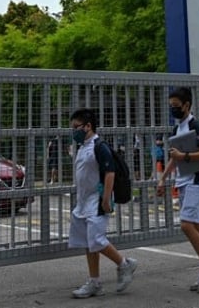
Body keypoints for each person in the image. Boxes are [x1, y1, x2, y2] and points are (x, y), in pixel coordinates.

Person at [67, 108, 138, 298]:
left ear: (88, 126)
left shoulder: (100, 147)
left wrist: (106, 199)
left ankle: (125, 264)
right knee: (89, 244)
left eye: (76, 127)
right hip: (84, 201)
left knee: (96, 240)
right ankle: (95, 282)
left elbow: (110, 173)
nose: (74, 131)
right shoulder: (82, 147)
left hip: (97, 201)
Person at [156, 86, 199, 293]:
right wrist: (163, 179)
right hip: (183, 181)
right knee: (197, 226)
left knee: (186, 225)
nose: (173, 110)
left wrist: (186, 157)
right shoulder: (177, 129)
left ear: (187, 105)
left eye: (176, 106)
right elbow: (174, 157)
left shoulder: (195, 126)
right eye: (170, 106)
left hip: (197, 179)